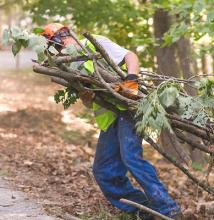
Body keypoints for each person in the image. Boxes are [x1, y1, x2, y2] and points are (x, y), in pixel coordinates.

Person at [41, 23, 183, 220]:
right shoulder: (70, 66)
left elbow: (130, 55)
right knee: (104, 170)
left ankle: (168, 208)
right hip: (110, 116)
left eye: (60, 43)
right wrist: (86, 96)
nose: (61, 48)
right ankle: (145, 210)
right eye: (56, 47)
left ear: (66, 36)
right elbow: (89, 103)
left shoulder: (94, 44)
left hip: (129, 109)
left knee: (131, 158)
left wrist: (131, 81)